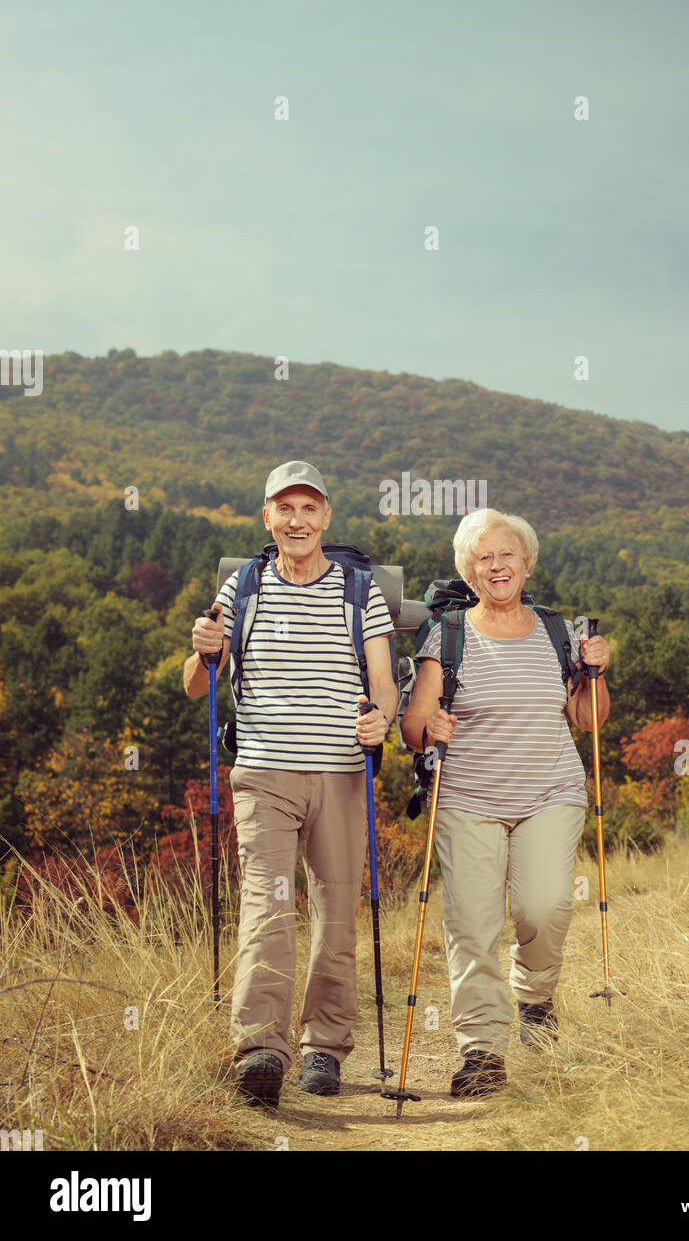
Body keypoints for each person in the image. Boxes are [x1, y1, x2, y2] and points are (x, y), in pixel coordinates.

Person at [183, 460, 397, 1106]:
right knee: (267, 909)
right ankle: (259, 1051)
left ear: (326, 517)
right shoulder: (239, 588)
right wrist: (201, 649)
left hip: (340, 772)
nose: (298, 520)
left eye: (310, 509)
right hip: (264, 774)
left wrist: (382, 719)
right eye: (286, 508)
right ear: (267, 516)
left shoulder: (361, 591)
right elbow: (197, 686)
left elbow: (384, 682)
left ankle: (324, 1048)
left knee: (336, 911)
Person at [401, 507, 610, 1097]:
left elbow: (587, 719)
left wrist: (595, 673)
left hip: (550, 791)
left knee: (543, 908)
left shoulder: (556, 632)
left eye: (506, 555)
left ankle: (536, 998)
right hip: (468, 797)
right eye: (484, 558)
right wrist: (429, 728)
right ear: (469, 570)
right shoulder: (448, 635)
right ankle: (482, 1051)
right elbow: (414, 726)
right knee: (472, 924)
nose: (497, 566)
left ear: (525, 562)